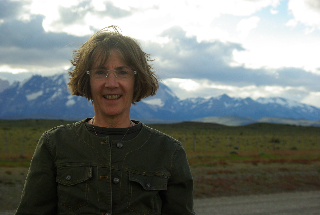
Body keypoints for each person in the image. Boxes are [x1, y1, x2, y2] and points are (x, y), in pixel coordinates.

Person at [15, 26, 196, 215]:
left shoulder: (168, 152)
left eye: (122, 72)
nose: (111, 83)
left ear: (137, 80)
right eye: (100, 72)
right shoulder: (54, 145)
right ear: (87, 80)